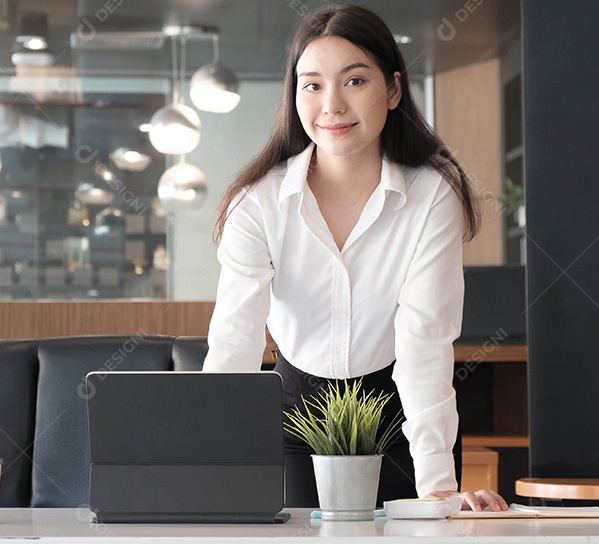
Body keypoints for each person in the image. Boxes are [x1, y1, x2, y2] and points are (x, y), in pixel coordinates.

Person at [201, 4, 507, 512]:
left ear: (392, 89)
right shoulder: (256, 202)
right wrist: (204, 471)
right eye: (312, 84)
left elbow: (424, 342)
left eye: (355, 81)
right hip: (296, 414)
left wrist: (438, 488)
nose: (332, 105)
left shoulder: (432, 195)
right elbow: (234, 342)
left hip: (399, 415)